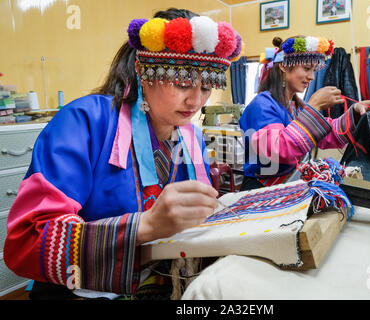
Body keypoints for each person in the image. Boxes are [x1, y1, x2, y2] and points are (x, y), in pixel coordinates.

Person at [3, 8, 242, 300]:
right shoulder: (85, 121)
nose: (195, 100)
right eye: (181, 83)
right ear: (144, 71)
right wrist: (146, 226)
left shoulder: (189, 135)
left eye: (206, 87)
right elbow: (27, 241)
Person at [239, 35, 370, 191]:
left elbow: (325, 134)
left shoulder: (295, 106)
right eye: (306, 68)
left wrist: (355, 112)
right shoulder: (261, 105)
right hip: (260, 189)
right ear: (284, 66)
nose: (311, 77)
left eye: (313, 70)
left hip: (287, 185)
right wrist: (314, 107)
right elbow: (278, 151)